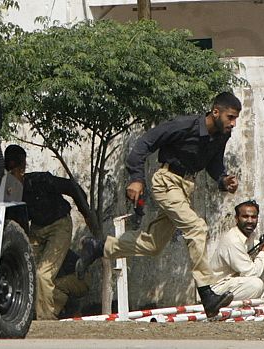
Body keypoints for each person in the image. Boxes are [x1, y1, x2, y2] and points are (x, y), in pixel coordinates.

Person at [76, 92, 242, 318]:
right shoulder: (184, 125)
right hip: (166, 181)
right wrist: (136, 178)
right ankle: (207, 293)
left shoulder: (221, 135)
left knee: (153, 245)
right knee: (197, 227)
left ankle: (99, 247)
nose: (233, 124)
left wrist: (223, 180)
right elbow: (144, 143)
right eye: (230, 117)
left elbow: (214, 164)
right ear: (215, 112)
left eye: (235, 119)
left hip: (185, 188)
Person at [4, 144, 92, 320]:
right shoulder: (8, 189)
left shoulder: (40, 180)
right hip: (37, 228)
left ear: (23, 170)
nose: (13, 180)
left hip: (59, 224)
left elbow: (73, 188)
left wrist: (87, 214)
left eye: (17, 173)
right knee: (26, 270)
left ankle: (45, 318)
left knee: (43, 274)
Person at [211, 200, 264, 300]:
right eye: (245, 216)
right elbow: (251, 273)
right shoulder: (233, 240)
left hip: (234, 281)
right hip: (218, 289)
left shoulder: (249, 235)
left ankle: (260, 305)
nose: (250, 221)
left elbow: (253, 248)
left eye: (253, 217)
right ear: (237, 218)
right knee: (255, 284)